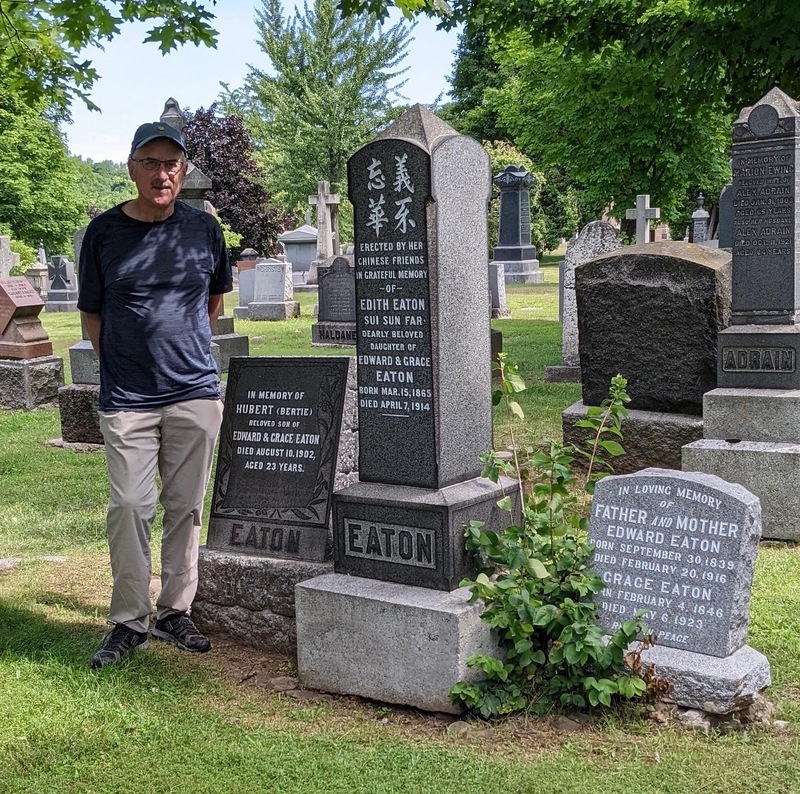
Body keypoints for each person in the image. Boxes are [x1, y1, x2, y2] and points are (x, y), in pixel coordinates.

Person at [78, 121, 232, 669]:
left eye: (172, 164)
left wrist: (180, 351)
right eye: (151, 163)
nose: (162, 173)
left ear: (183, 171)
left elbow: (212, 303)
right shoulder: (103, 234)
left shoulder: (204, 231)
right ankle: (128, 620)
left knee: (185, 506)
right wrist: (119, 363)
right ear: (131, 168)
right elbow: (92, 312)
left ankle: (173, 611)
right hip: (128, 398)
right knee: (130, 506)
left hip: (193, 389)